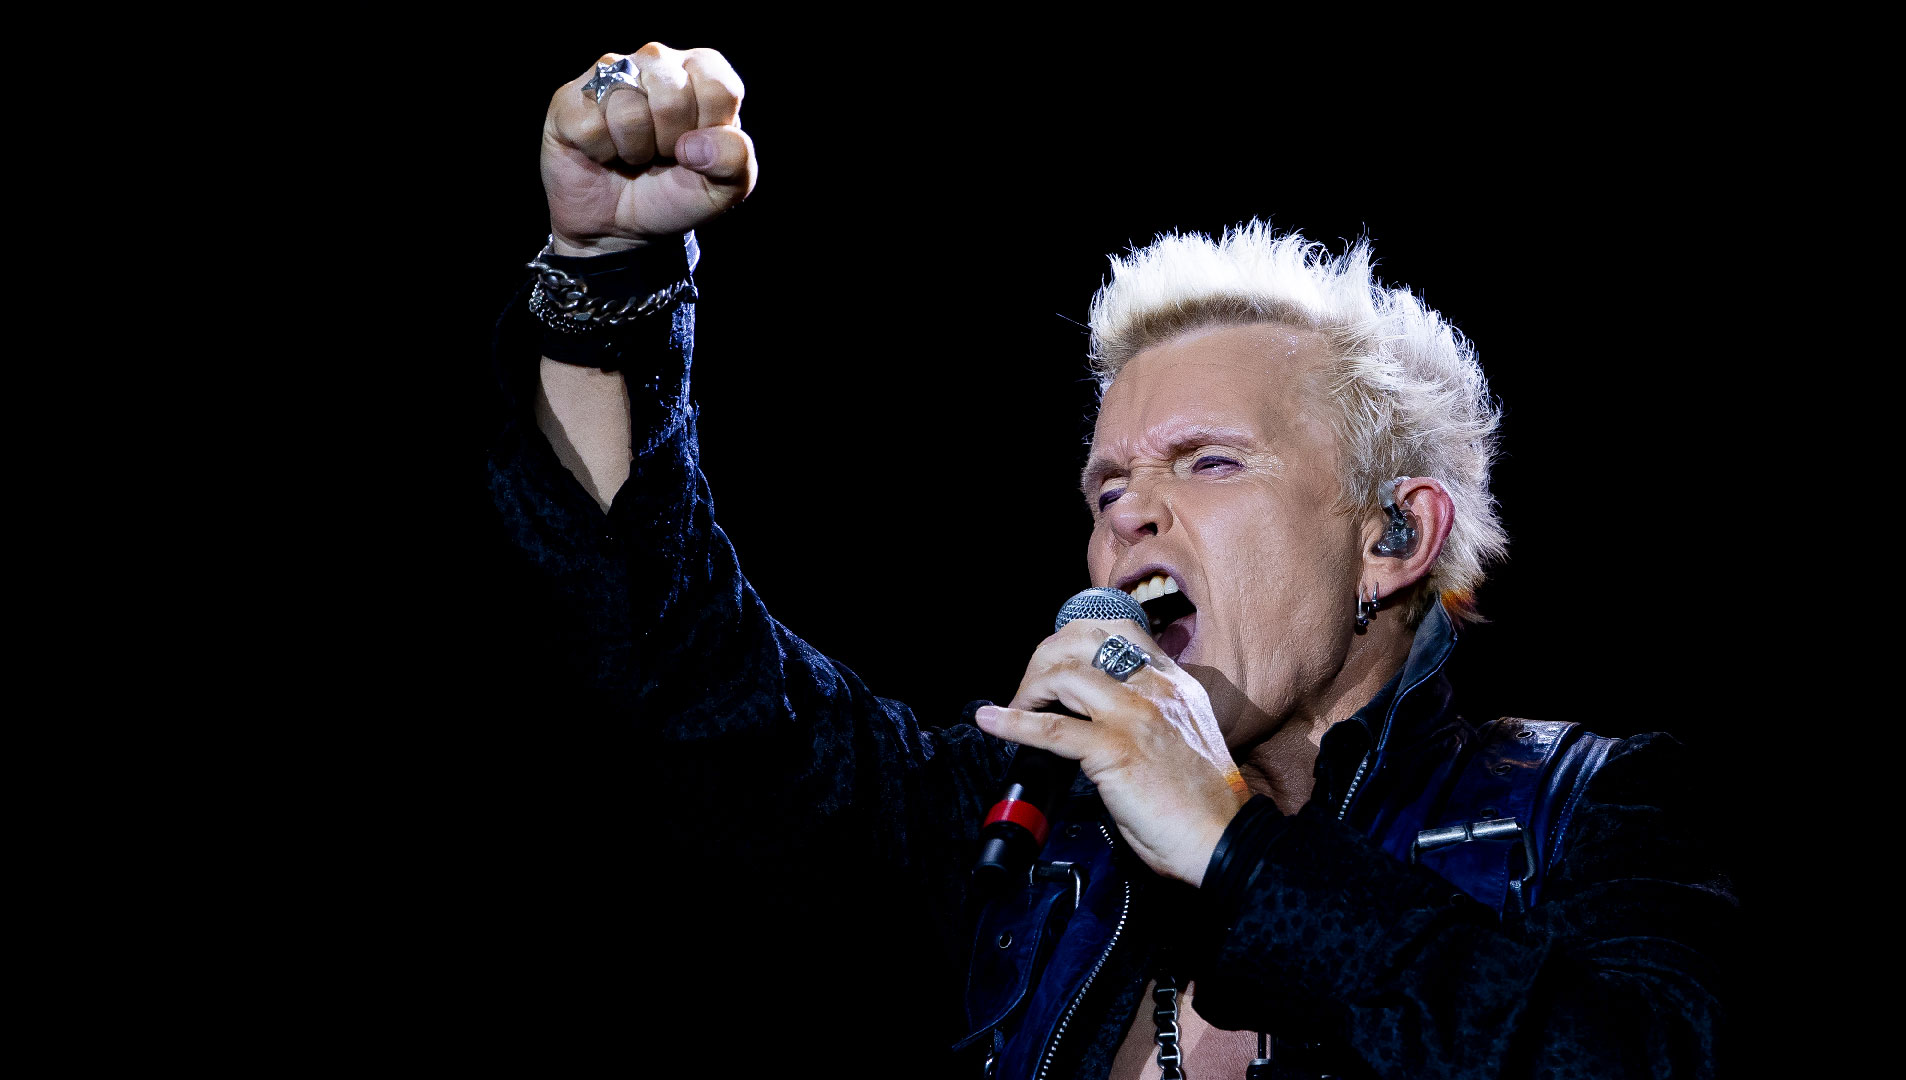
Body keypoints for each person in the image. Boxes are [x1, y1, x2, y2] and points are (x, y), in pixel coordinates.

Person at [482, 42, 1733, 1079]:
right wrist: (608, 275)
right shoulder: (1022, 833)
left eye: (1209, 462)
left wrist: (1235, 850)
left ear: (1395, 537)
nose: (1129, 514)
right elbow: (676, 679)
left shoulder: (1590, 808)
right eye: (1108, 484)